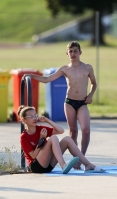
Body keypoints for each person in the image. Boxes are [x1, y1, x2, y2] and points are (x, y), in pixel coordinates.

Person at [22, 41, 97, 169]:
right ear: (67, 53)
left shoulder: (88, 67)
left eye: (75, 51)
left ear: (80, 52)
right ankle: (76, 160)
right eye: (71, 51)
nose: (73, 54)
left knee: (86, 130)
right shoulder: (64, 69)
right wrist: (31, 76)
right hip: (69, 102)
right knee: (73, 131)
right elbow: (47, 79)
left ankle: (82, 158)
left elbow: (94, 83)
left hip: (82, 102)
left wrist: (90, 96)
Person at [18, 105, 105, 174]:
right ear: (24, 120)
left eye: (35, 115)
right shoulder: (23, 137)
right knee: (53, 138)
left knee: (67, 139)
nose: (35, 118)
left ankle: (88, 165)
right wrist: (41, 139)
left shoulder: (40, 129)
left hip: (48, 165)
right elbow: (33, 156)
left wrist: (47, 120)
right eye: (31, 116)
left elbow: (60, 131)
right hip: (36, 167)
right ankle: (63, 165)